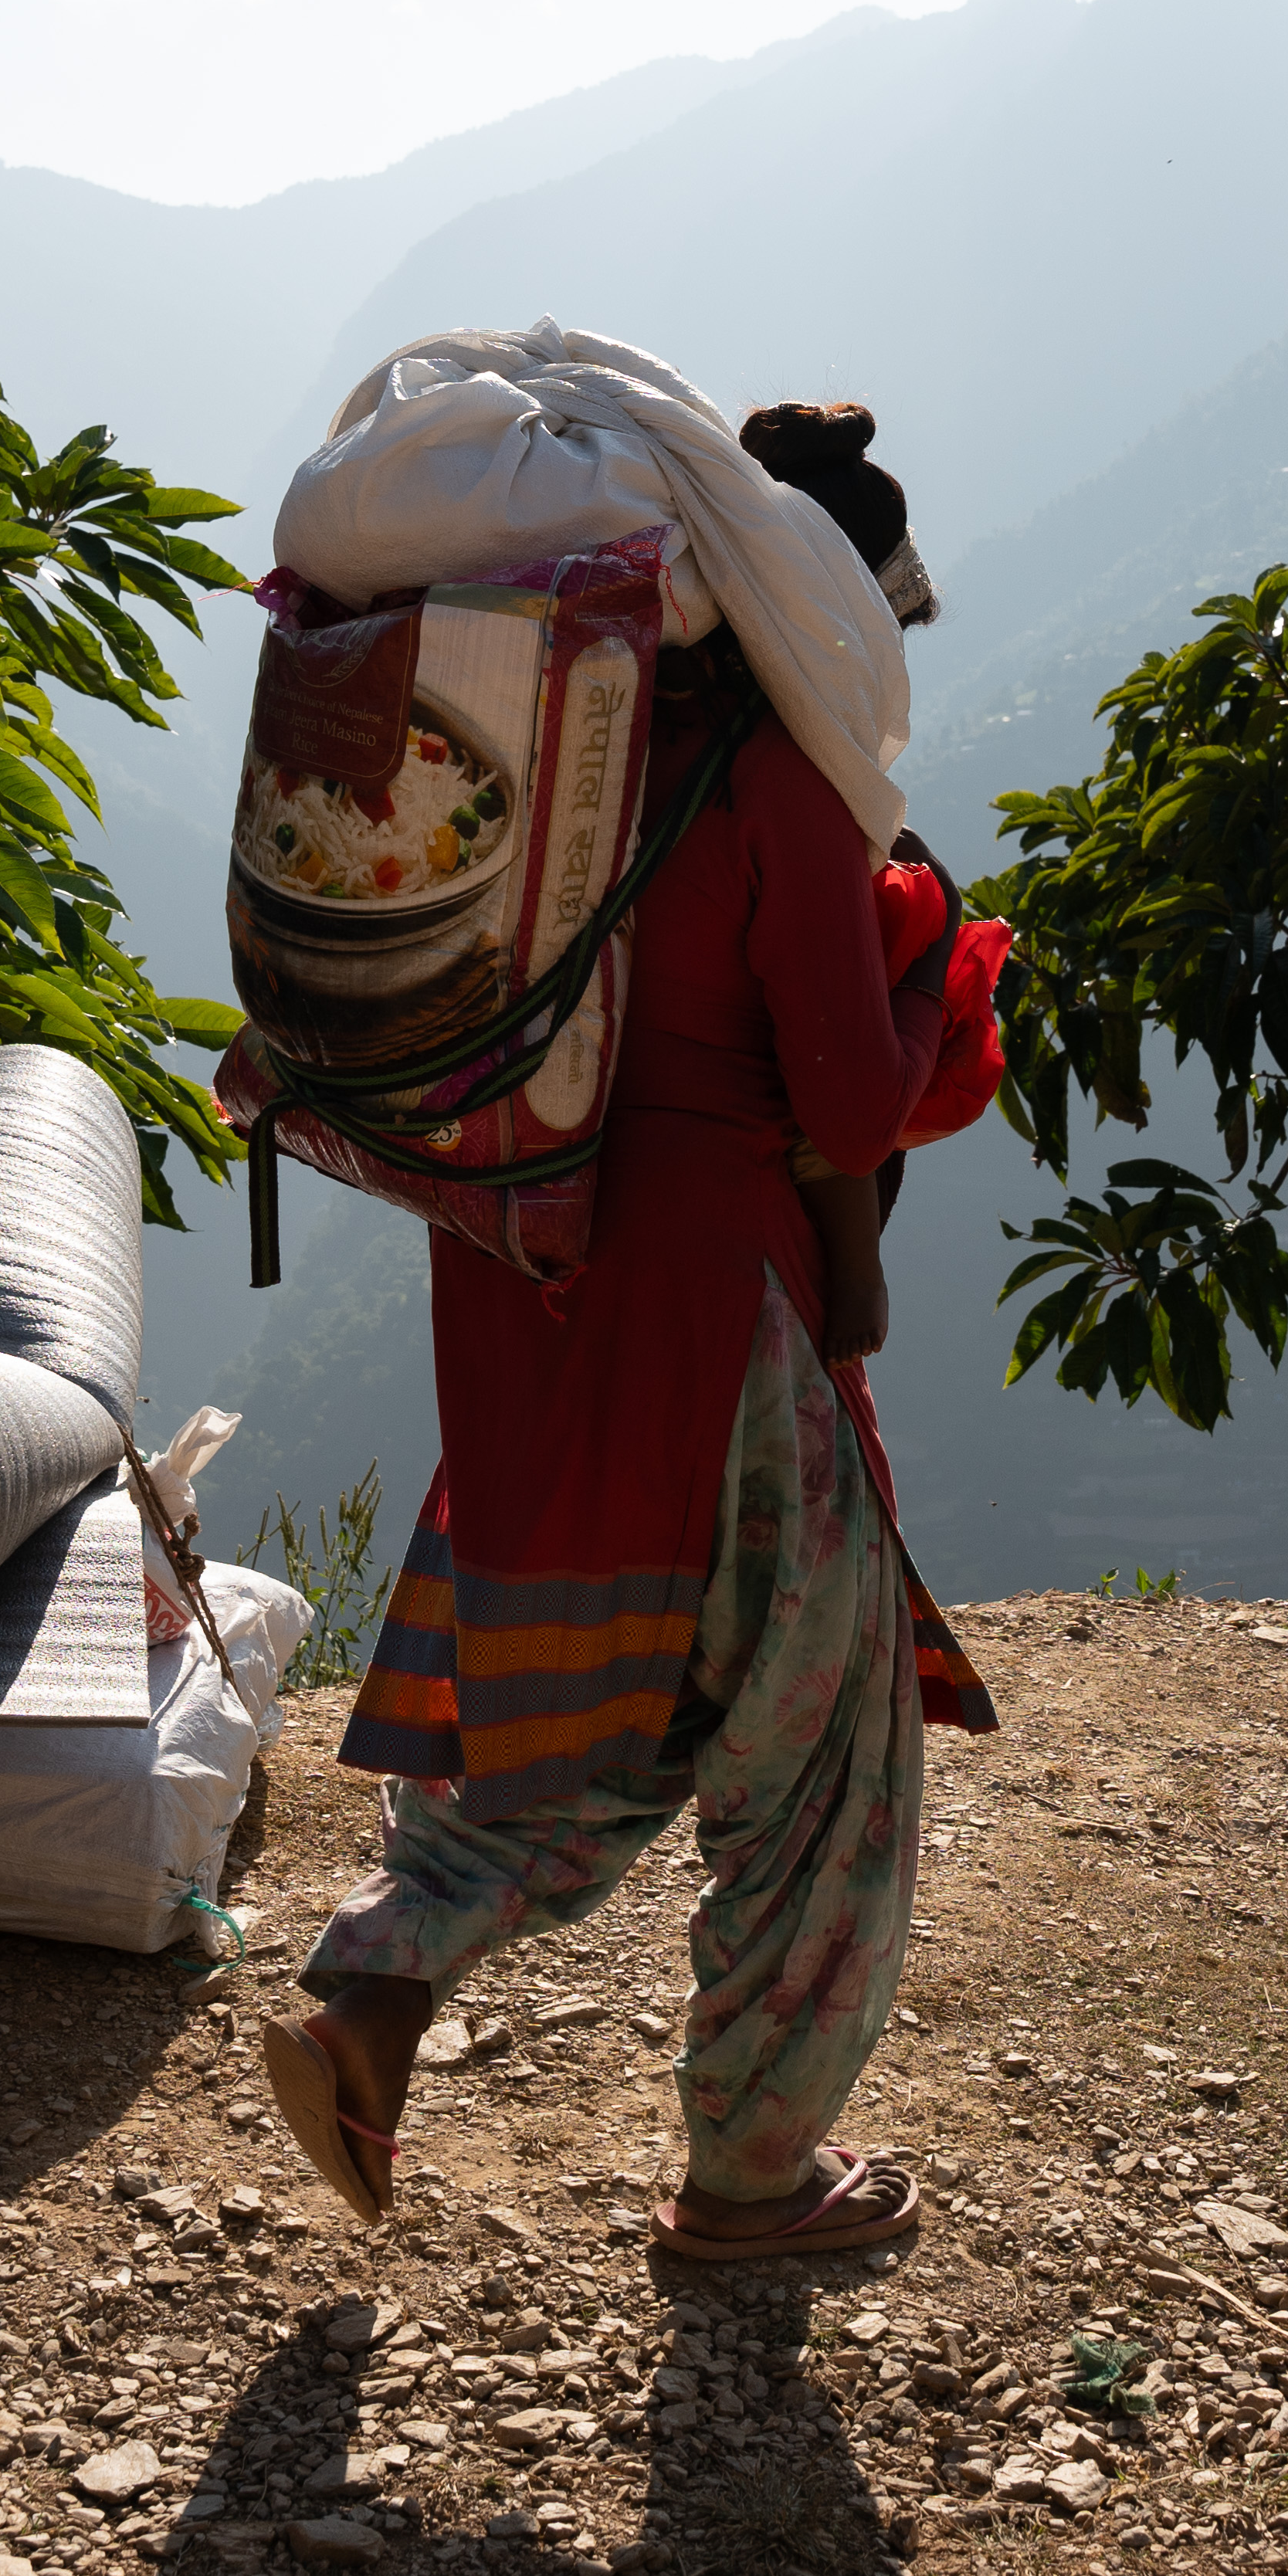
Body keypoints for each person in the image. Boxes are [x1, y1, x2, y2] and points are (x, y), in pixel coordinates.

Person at [259, 400, 995, 2260]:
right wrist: (952, 988)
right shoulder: (782, 777)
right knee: (824, 1758)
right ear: (825, 602)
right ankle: (751, 2172)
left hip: (530, 1278)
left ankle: (369, 2000)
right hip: (717, 1312)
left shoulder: (557, 739)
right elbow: (835, 1101)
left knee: (587, 1714)